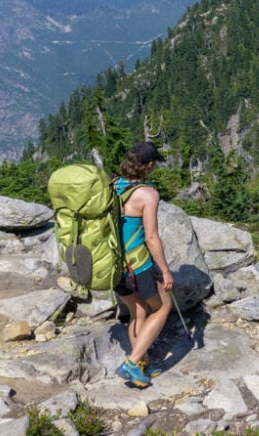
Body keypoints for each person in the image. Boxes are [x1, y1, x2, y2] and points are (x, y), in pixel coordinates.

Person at [113, 141, 173, 388]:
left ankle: (142, 365)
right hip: (138, 266)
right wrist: (166, 270)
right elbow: (151, 236)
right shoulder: (148, 194)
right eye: (154, 164)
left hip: (113, 265)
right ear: (148, 165)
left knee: (138, 311)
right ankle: (131, 361)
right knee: (162, 308)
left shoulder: (114, 184)